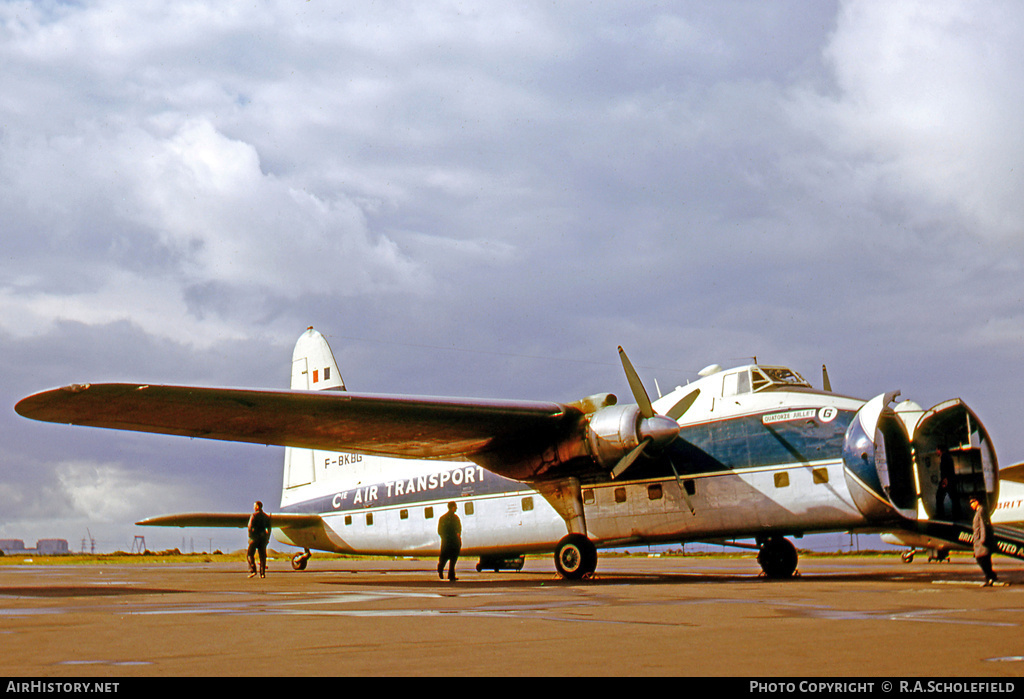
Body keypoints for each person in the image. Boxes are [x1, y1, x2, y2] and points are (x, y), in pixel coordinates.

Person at [970, 496, 998, 586]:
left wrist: (983, 539)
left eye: (972, 502)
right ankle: (990, 577)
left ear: (977, 501)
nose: (971, 505)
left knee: (982, 559)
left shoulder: (981, 511)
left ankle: (991, 576)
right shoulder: (978, 511)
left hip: (981, 541)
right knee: (983, 559)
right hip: (978, 541)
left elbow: (983, 526)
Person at [437, 501, 462, 582]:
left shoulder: (442, 518)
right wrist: (458, 540)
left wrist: (444, 538)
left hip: (446, 541)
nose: (456, 508)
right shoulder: (456, 518)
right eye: (455, 506)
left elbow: (439, 531)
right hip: (453, 541)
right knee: (452, 559)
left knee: (444, 558)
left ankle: (442, 570)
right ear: (452, 507)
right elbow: (459, 530)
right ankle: (450, 574)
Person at [247, 501, 272, 579]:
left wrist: (251, 536)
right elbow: (269, 528)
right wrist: (267, 537)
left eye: (254, 506)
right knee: (262, 556)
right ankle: (262, 573)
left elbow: (249, 527)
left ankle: (253, 570)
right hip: (263, 537)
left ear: (257, 507)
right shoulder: (266, 516)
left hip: (255, 537)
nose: (254, 507)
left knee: (249, 554)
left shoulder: (254, 515)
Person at [934, 446, 959, 519]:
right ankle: (957, 514)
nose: (936, 452)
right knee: (954, 497)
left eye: (937, 450)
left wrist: (944, 481)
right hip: (951, 480)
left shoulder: (944, 457)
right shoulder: (948, 457)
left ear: (939, 450)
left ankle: (940, 515)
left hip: (946, 480)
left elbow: (944, 470)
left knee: (939, 496)